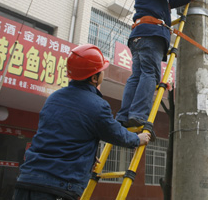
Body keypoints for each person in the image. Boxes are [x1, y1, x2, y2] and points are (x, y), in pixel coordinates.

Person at [14, 44, 151, 200]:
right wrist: (137, 139)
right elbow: (116, 134)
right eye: (101, 70)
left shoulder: (54, 98)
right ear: (94, 78)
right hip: (59, 187)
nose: (103, 73)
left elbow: (61, 136)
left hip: (26, 180)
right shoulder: (97, 105)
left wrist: (88, 156)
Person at [116, 0, 208, 127]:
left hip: (141, 35)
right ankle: (137, 114)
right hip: (150, 34)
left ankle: (124, 116)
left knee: (137, 76)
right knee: (150, 74)